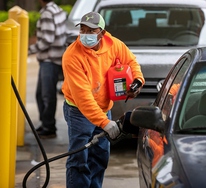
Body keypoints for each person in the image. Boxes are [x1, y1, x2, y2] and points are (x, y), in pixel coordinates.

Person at [61, 12, 145, 187]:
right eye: (83, 30)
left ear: (102, 33)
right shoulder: (72, 56)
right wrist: (104, 122)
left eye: (91, 31)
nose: (86, 34)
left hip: (103, 106)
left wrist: (137, 81)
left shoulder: (113, 44)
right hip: (78, 111)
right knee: (79, 159)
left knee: (100, 156)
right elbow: (83, 97)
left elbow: (131, 61)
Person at [28, 0, 67, 138]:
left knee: (47, 95)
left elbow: (47, 40)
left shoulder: (47, 13)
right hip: (55, 58)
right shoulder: (58, 10)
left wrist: (28, 50)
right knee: (42, 94)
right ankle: (46, 123)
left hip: (49, 60)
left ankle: (49, 127)